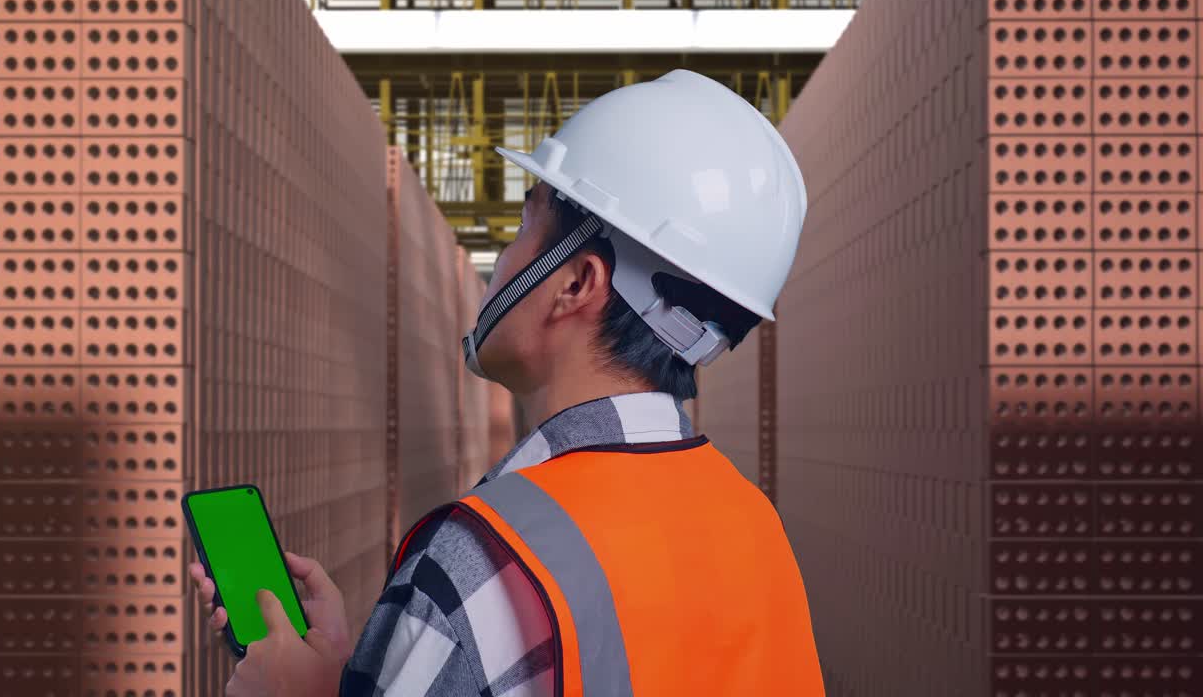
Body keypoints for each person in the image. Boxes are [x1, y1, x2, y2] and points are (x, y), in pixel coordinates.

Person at [189, 68, 825, 696]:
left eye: (526, 226)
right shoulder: (755, 526)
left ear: (576, 282)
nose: (503, 262)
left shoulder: (482, 563)